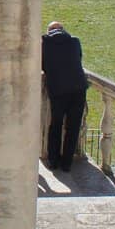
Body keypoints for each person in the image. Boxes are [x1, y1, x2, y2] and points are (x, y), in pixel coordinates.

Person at [42, 21, 88, 172]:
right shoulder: (74, 41)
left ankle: (53, 160)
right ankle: (67, 163)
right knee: (73, 127)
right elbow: (79, 58)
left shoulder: (44, 43)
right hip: (78, 88)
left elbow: (42, 65)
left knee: (55, 125)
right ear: (63, 30)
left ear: (49, 31)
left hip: (58, 89)